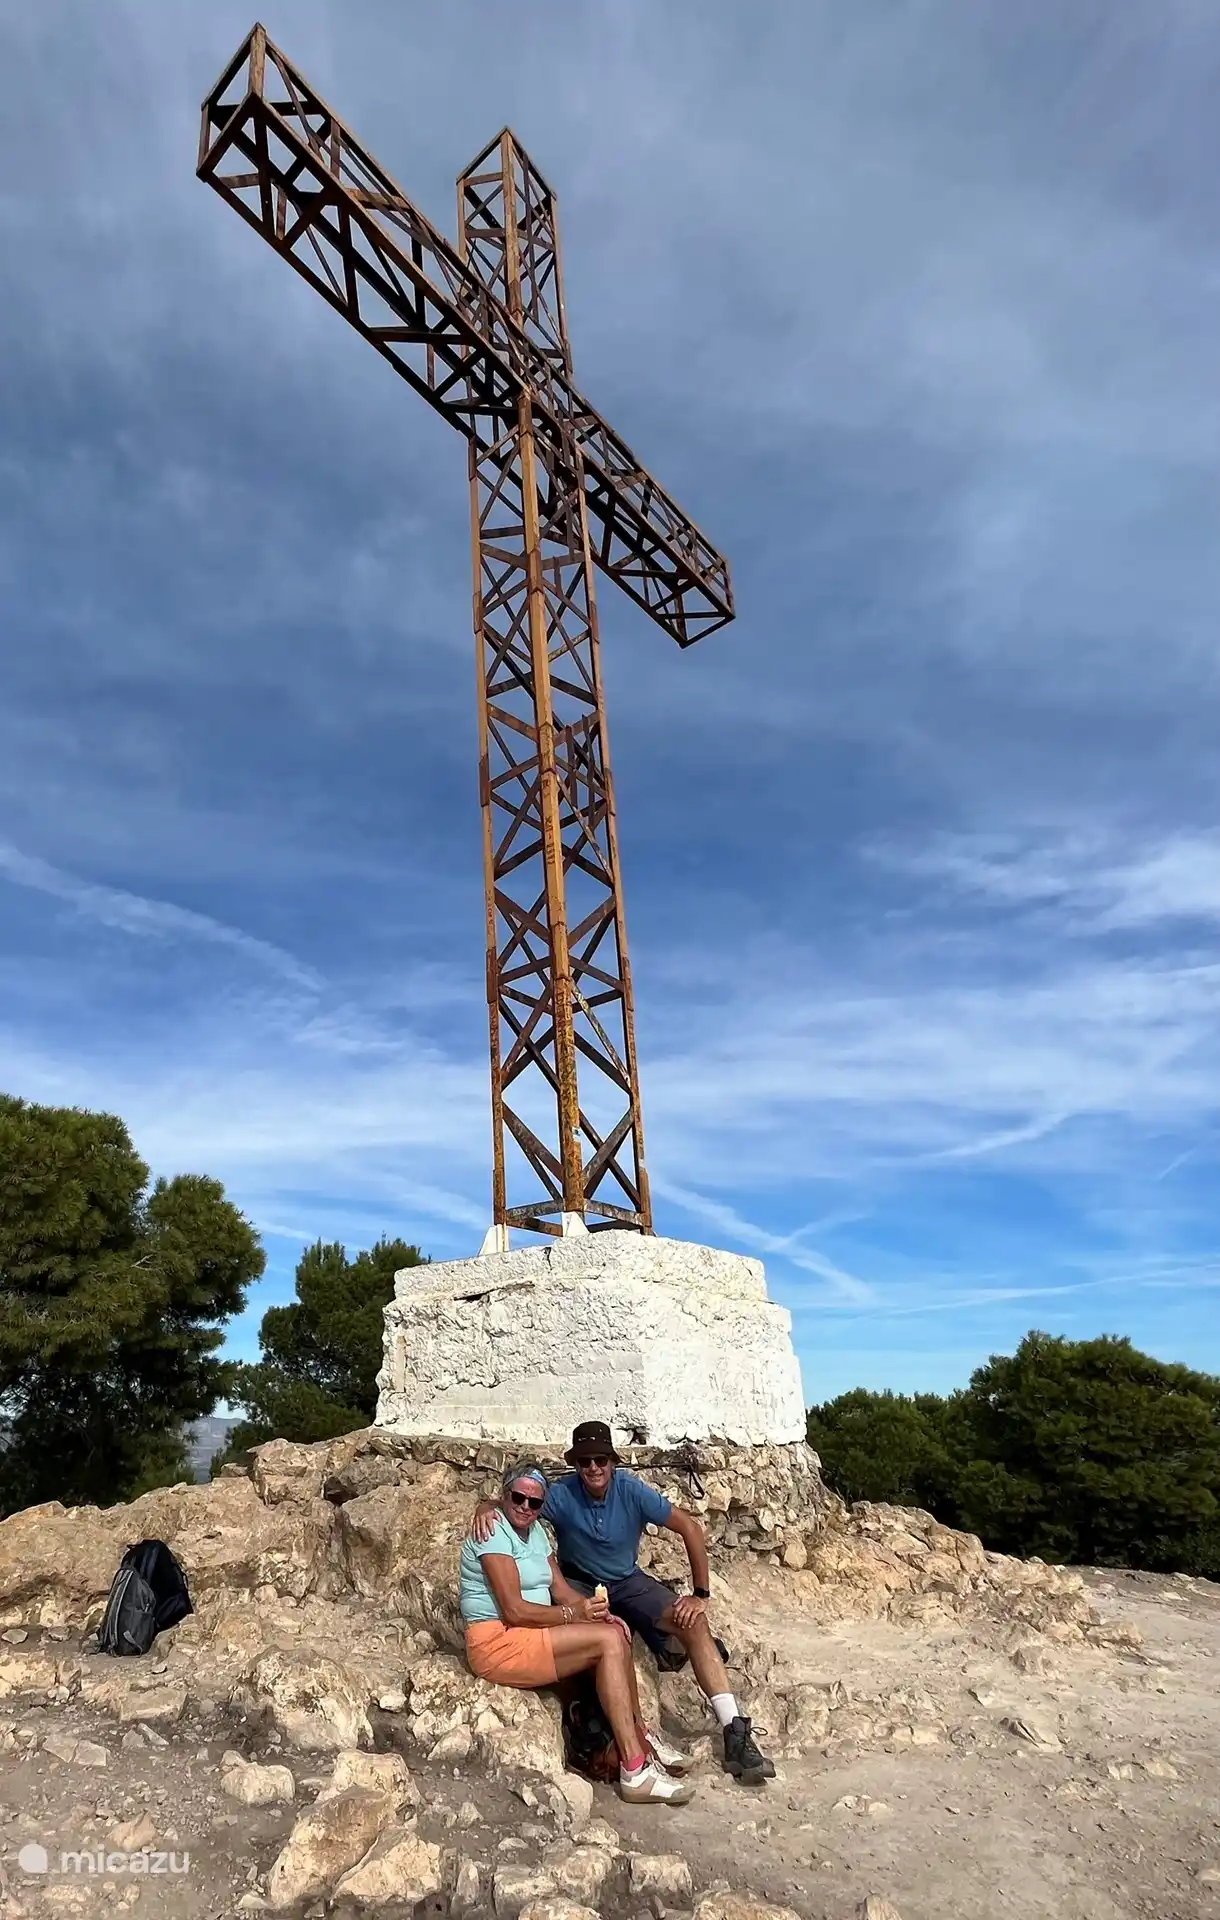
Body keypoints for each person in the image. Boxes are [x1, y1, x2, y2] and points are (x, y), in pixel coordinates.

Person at [470, 1422, 775, 1786]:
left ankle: (734, 1730)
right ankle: (635, 1739)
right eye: (584, 1461)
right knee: (608, 1637)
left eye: (601, 1459)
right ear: (575, 1464)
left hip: (628, 1581)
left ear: (613, 1461)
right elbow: (517, 1501)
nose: (594, 1468)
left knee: (693, 1623)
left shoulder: (630, 1490)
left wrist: (701, 1594)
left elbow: (690, 1528)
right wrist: (486, 1505)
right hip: (581, 1581)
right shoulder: (559, 1494)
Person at [459, 1458, 694, 1804]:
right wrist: (573, 1614)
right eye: (517, 1498)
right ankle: (634, 1769)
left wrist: (594, 1613)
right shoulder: (493, 1531)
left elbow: (563, 1591)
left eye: (535, 1502)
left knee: (616, 1630)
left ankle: (642, 1741)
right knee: (606, 1642)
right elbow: (514, 1609)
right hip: (499, 1641)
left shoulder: (535, 1532)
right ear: (503, 1496)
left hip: (527, 1633)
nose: (525, 1507)